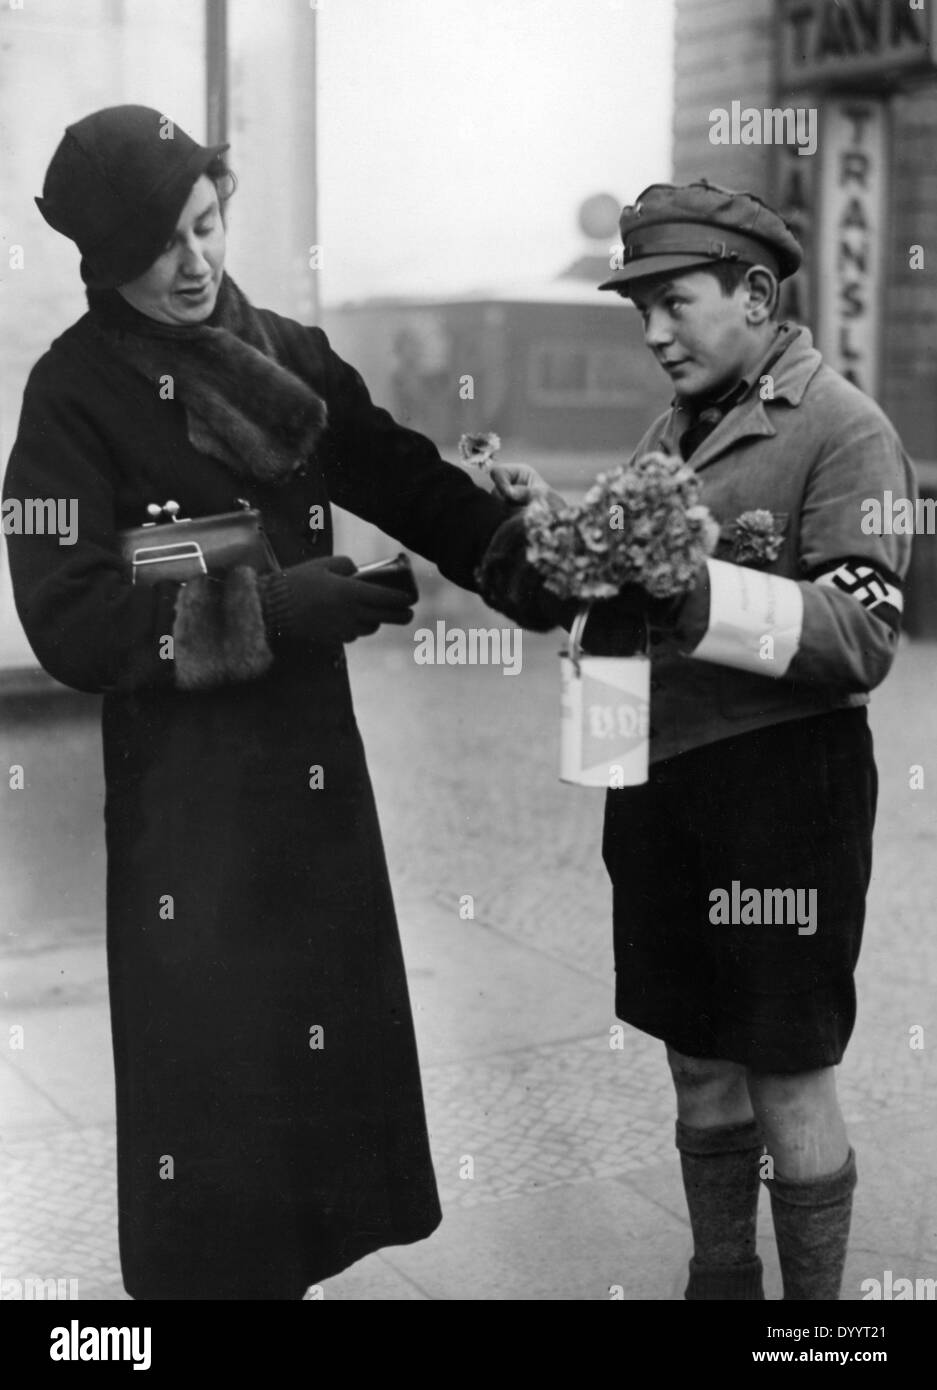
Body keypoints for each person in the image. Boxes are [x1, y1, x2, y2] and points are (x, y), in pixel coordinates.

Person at [2, 105, 519, 1301]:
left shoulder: (287, 350)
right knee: (216, 1130)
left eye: (209, 223)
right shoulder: (71, 395)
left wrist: (534, 561)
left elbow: (404, 474)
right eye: (163, 246)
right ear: (102, 259)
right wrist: (275, 607)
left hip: (312, 792)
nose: (197, 263)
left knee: (314, 1124)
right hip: (190, 817)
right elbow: (71, 611)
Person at [478, 180, 916, 1300]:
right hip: (667, 793)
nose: (654, 333)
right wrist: (552, 534)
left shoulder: (846, 431)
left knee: (787, 1071)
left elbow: (862, 633)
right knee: (694, 1059)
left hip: (785, 798)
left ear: (758, 294)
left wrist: (688, 592)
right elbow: (617, 600)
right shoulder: (671, 432)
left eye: (673, 303)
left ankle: (814, 1325)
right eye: (641, 312)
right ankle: (720, 1285)